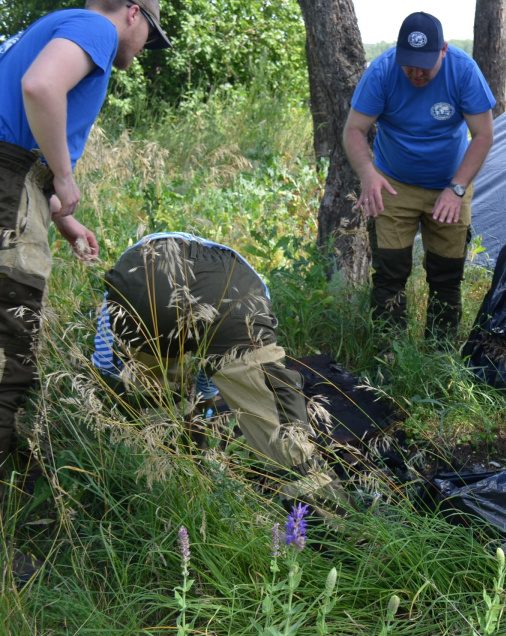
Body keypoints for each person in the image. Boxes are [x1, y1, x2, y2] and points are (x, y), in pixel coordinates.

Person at [0, 0, 172, 471]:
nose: (145, 49)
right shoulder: (98, 27)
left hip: (16, 180)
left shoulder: (48, 27)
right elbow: (40, 87)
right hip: (10, 180)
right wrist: (63, 174)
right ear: (133, 13)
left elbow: (13, 121)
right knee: (9, 349)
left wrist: (60, 215)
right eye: (151, 36)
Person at [92, 232, 350, 516]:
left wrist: (114, 387)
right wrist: (205, 409)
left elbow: (106, 362)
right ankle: (336, 529)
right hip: (236, 292)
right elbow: (210, 378)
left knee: (157, 410)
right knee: (283, 437)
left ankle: (171, 490)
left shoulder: (134, 264)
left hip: (145, 282)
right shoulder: (252, 280)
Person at [343, 12, 495, 342]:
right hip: (393, 184)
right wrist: (368, 174)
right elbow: (354, 129)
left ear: (443, 51)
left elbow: (483, 135)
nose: (416, 72)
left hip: (450, 185)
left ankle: (438, 359)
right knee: (390, 274)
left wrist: (456, 189)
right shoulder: (383, 71)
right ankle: (389, 357)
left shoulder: (463, 70)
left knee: (446, 274)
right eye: (409, 63)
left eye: (425, 64)